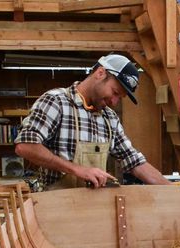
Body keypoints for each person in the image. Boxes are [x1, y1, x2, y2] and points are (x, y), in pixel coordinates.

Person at [15, 54, 171, 189]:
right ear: (100, 73)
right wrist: (77, 169)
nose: (114, 102)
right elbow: (25, 146)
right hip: (56, 208)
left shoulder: (109, 118)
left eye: (119, 98)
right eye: (115, 92)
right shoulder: (56, 102)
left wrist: (174, 192)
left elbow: (134, 161)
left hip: (93, 210)